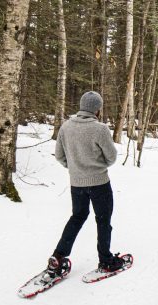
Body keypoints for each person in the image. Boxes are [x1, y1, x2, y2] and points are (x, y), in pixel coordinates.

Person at [46, 91, 128, 278]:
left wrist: (75, 169)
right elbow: (112, 157)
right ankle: (106, 260)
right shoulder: (100, 129)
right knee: (103, 220)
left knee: (77, 217)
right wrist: (97, 167)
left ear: (82, 106)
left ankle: (58, 257)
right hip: (99, 183)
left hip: (76, 184)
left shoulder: (66, 127)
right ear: (97, 109)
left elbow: (59, 155)